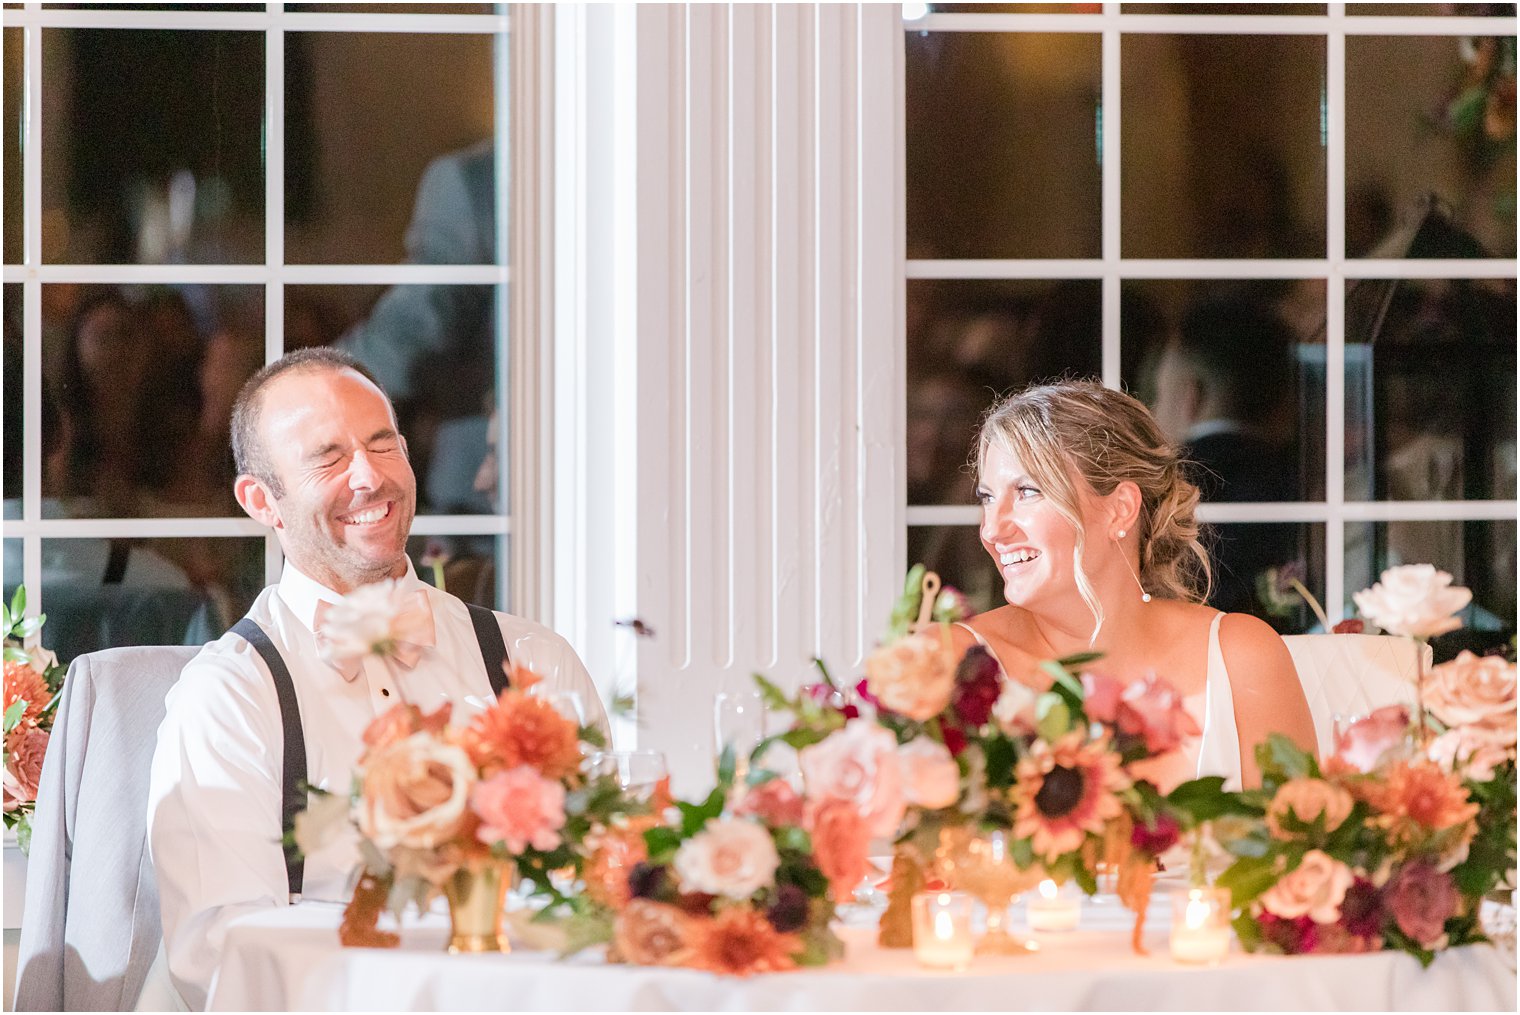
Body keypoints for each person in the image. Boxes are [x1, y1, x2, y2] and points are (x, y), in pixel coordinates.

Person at [145, 348, 607, 1009]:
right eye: (328, 458)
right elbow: (223, 956)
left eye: (383, 445)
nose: (370, 477)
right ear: (260, 500)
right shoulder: (228, 696)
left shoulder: (533, 660)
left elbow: (598, 895)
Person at [954, 380, 1316, 791]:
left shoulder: (1240, 656)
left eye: (1027, 491)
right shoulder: (955, 665)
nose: (992, 529)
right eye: (986, 497)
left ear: (1120, 509)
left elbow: (1304, 847)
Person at [1150, 296, 1304, 629]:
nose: (1154, 411)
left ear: (1192, 396)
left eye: (1159, 395)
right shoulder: (1307, 479)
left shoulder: (1159, 487)